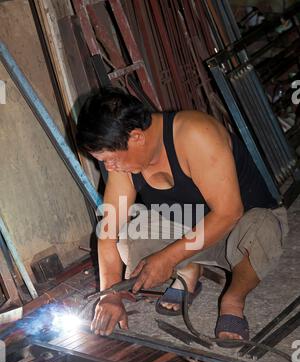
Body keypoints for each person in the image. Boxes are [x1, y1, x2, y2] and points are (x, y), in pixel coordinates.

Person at [76, 87, 288, 341]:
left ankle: (233, 299)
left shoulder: (195, 134)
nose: (109, 167)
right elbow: (108, 233)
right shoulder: (124, 159)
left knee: (263, 234)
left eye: (110, 159)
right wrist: (109, 294)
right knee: (128, 240)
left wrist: (167, 258)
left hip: (242, 224)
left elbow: (229, 213)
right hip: (191, 231)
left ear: (136, 137)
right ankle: (189, 271)